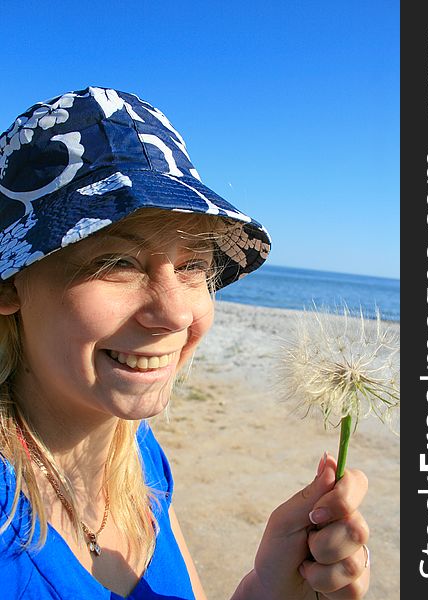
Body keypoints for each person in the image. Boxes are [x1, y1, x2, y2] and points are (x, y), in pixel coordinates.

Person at [0, 86, 370, 599]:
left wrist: (270, 588)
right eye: (118, 263)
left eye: (193, 264)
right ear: (10, 283)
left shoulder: (137, 456)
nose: (176, 313)